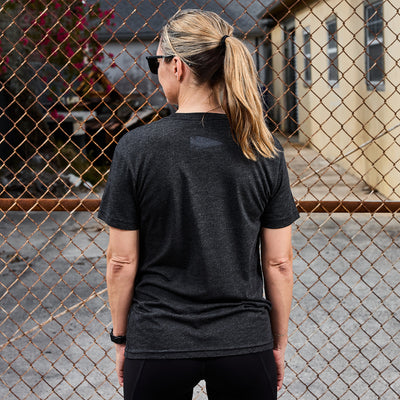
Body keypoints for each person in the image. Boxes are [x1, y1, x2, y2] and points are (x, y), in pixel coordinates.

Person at [98, 9, 299, 400]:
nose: (156, 71)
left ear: (177, 67)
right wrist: (276, 343)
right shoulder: (264, 149)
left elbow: (120, 261)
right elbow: (279, 263)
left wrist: (122, 338)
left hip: (158, 342)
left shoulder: (136, 149)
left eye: (155, 62)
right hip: (243, 341)